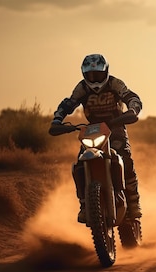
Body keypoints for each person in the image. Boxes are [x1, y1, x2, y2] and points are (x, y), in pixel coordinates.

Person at [49, 53, 143, 223]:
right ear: (84, 74)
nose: (94, 78)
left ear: (105, 71)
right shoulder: (82, 88)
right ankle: (85, 204)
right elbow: (67, 104)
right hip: (93, 130)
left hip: (115, 126)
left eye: (98, 74)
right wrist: (57, 121)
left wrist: (132, 110)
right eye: (90, 75)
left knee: (125, 158)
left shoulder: (115, 83)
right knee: (79, 163)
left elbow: (132, 97)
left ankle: (133, 201)